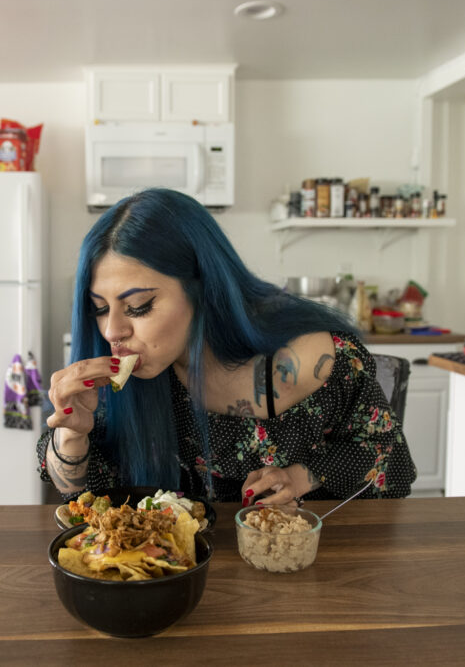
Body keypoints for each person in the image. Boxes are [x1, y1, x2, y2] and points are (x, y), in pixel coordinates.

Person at [37, 188, 416, 507]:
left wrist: (302, 476)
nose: (113, 331)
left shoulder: (316, 360)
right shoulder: (129, 378)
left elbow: (389, 463)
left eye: (139, 307)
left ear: (201, 289)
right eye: (100, 309)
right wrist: (72, 435)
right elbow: (82, 495)